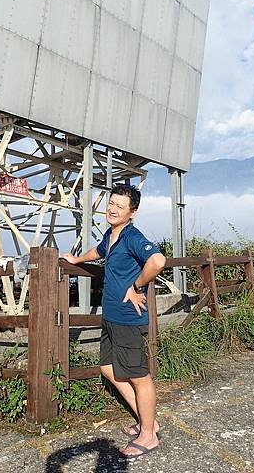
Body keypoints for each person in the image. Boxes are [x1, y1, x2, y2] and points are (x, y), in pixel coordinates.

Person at [63, 184, 166, 459]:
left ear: (133, 212)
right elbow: (99, 251)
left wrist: (137, 285)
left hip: (128, 319)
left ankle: (148, 436)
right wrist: (76, 259)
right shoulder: (112, 234)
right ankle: (148, 422)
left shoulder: (133, 237)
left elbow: (157, 261)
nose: (112, 209)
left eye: (120, 206)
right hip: (110, 317)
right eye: (111, 203)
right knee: (108, 368)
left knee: (138, 376)